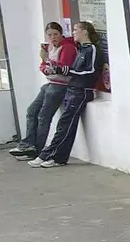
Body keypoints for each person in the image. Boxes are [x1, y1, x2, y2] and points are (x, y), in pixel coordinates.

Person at [28, 22, 101, 168]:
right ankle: (59, 158)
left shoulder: (91, 49)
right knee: (67, 124)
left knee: (65, 124)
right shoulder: (81, 49)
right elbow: (68, 68)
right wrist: (52, 64)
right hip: (72, 89)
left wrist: (67, 71)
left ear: (85, 32)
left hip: (82, 91)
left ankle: (46, 154)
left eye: (76, 30)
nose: (73, 33)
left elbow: (90, 72)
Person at [10, 22, 78, 160]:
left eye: (55, 34)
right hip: (49, 83)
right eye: (50, 35)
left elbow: (64, 69)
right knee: (31, 111)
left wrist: (47, 60)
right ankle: (28, 144)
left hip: (60, 85)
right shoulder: (50, 48)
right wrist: (45, 65)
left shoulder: (67, 48)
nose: (53, 38)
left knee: (43, 116)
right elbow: (43, 66)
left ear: (61, 34)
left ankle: (38, 150)